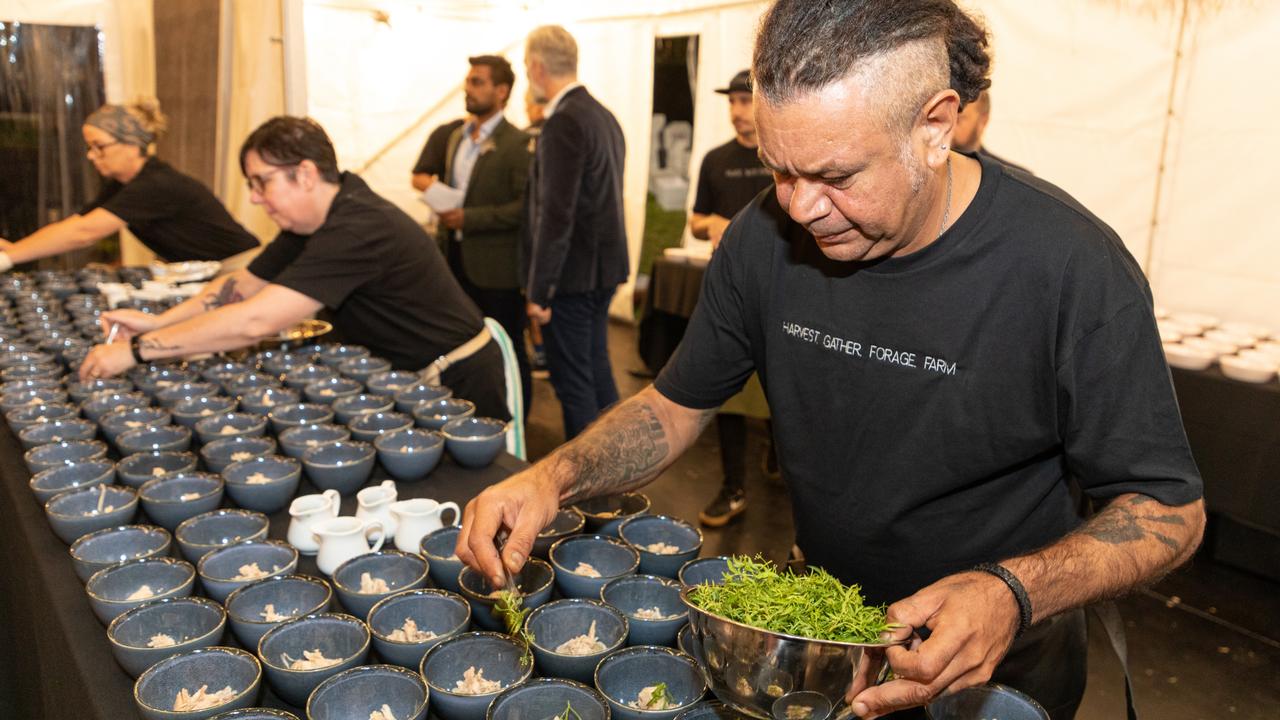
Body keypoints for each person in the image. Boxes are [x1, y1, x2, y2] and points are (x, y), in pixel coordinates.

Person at [455, 2, 1205, 719]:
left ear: (936, 126)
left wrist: (1011, 592)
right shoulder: (761, 240)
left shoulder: (1070, 266)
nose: (801, 208)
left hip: (1000, 661)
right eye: (781, 170)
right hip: (824, 633)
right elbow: (670, 407)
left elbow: (1169, 508)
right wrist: (554, 476)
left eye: (837, 177)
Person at [80, 116, 509, 420]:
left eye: (260, 181)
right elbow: (241, 286)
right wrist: (157, 324)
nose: (253, 198)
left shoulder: (358, 227)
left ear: (304, 174)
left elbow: (254, 321)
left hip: (458, 378)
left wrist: (135, 352)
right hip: (409, 372)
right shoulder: (315, 219)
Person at [0, 98, 259, 271]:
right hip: (208, 270)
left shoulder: (156, 185)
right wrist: (16, 250)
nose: (91, 155)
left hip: (240, 266)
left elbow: (85, 233)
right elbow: (76, 223)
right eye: (89, 147)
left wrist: (9, 259)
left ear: (132, 145)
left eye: (99, 146)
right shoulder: (124, 184)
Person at [522, 25, 629, 440]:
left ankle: (590, 491)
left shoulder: (563, 122)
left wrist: (540, 290)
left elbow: (556, 214)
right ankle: (618, 469)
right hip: (602, 269)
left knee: (574, 384)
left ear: (536, 67)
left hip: (570, 276)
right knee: (597, 371)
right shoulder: (604, 116)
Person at [689, 69, 779, 527]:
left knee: (780, 392)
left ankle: (779, 454)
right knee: (727, 393)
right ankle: (733, 486)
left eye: (746, 102)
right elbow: (695, 220)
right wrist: (715, 226)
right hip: (729, 293)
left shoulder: (782, 156)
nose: (738, 111)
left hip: (781, 295)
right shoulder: (714, 159)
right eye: (732, 103)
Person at [433, 55, 533, 417]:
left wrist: (469, 218)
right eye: (468, 81)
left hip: (497, 269)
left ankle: (517, 417)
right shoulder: (457, 136)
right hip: (455, 261)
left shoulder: (517, 143)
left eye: (477, 82)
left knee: (508, 347)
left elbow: (524, 208)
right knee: (463, 345)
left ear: (501, 91)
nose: (468, 88)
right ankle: (469, 416)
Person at [950, 90, 1030, 173]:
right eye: (942, 119)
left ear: (983, 121)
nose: (947, 127)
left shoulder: (1012, 179)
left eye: (958, 119)